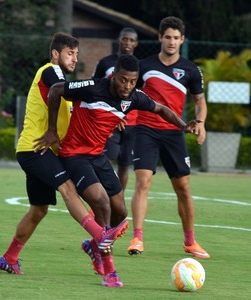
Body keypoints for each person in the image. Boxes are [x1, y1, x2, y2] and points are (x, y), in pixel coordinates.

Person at [35, 54, 198, 287]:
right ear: (113, 76)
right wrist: (52, 130)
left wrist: (183, 125)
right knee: (101, 203)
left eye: (132, 81)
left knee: (120, 213)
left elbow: (161, 109)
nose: (127, 86)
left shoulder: (133, 97)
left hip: (97, 157)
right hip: (74, 155)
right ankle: (109, 271)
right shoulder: (92, 88)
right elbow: (56, 90)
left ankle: (93, 244)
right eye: (123, 80)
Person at [0, 32, 128, 276]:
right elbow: (59, 87)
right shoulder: (51, 71)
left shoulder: (66, 90)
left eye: (77, 54)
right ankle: (99, 236)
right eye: (70, 53)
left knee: (38, 210)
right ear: (55, 54)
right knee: (68, 188)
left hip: (40, 150)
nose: (75, 58)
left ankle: (8, 258)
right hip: (35, 149)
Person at [127, 16, 210, 259]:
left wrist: (202, 124)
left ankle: (190, 242)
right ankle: (137, 238)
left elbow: (199, 102)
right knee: (143, 182)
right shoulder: (143, 66)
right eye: (167, 37)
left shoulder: (191, 70)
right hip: (146, 130)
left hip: (175, 133)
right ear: (159, 38)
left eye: (176, 38)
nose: (171, 42)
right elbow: (127, 92)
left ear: (182, 40)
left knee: (183, 188)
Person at [92, 27, 139, 191]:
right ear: (119, 40)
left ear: (136, 43)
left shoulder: (138, 67)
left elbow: (141, 96)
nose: (128, 43)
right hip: (110, 121)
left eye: (132, 40)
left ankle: (118, 202)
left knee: (125, 165)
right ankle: (102, 197)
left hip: (131, 123)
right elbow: (95, 87)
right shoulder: (105, 63)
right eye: (125, 39)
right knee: (106, 160)